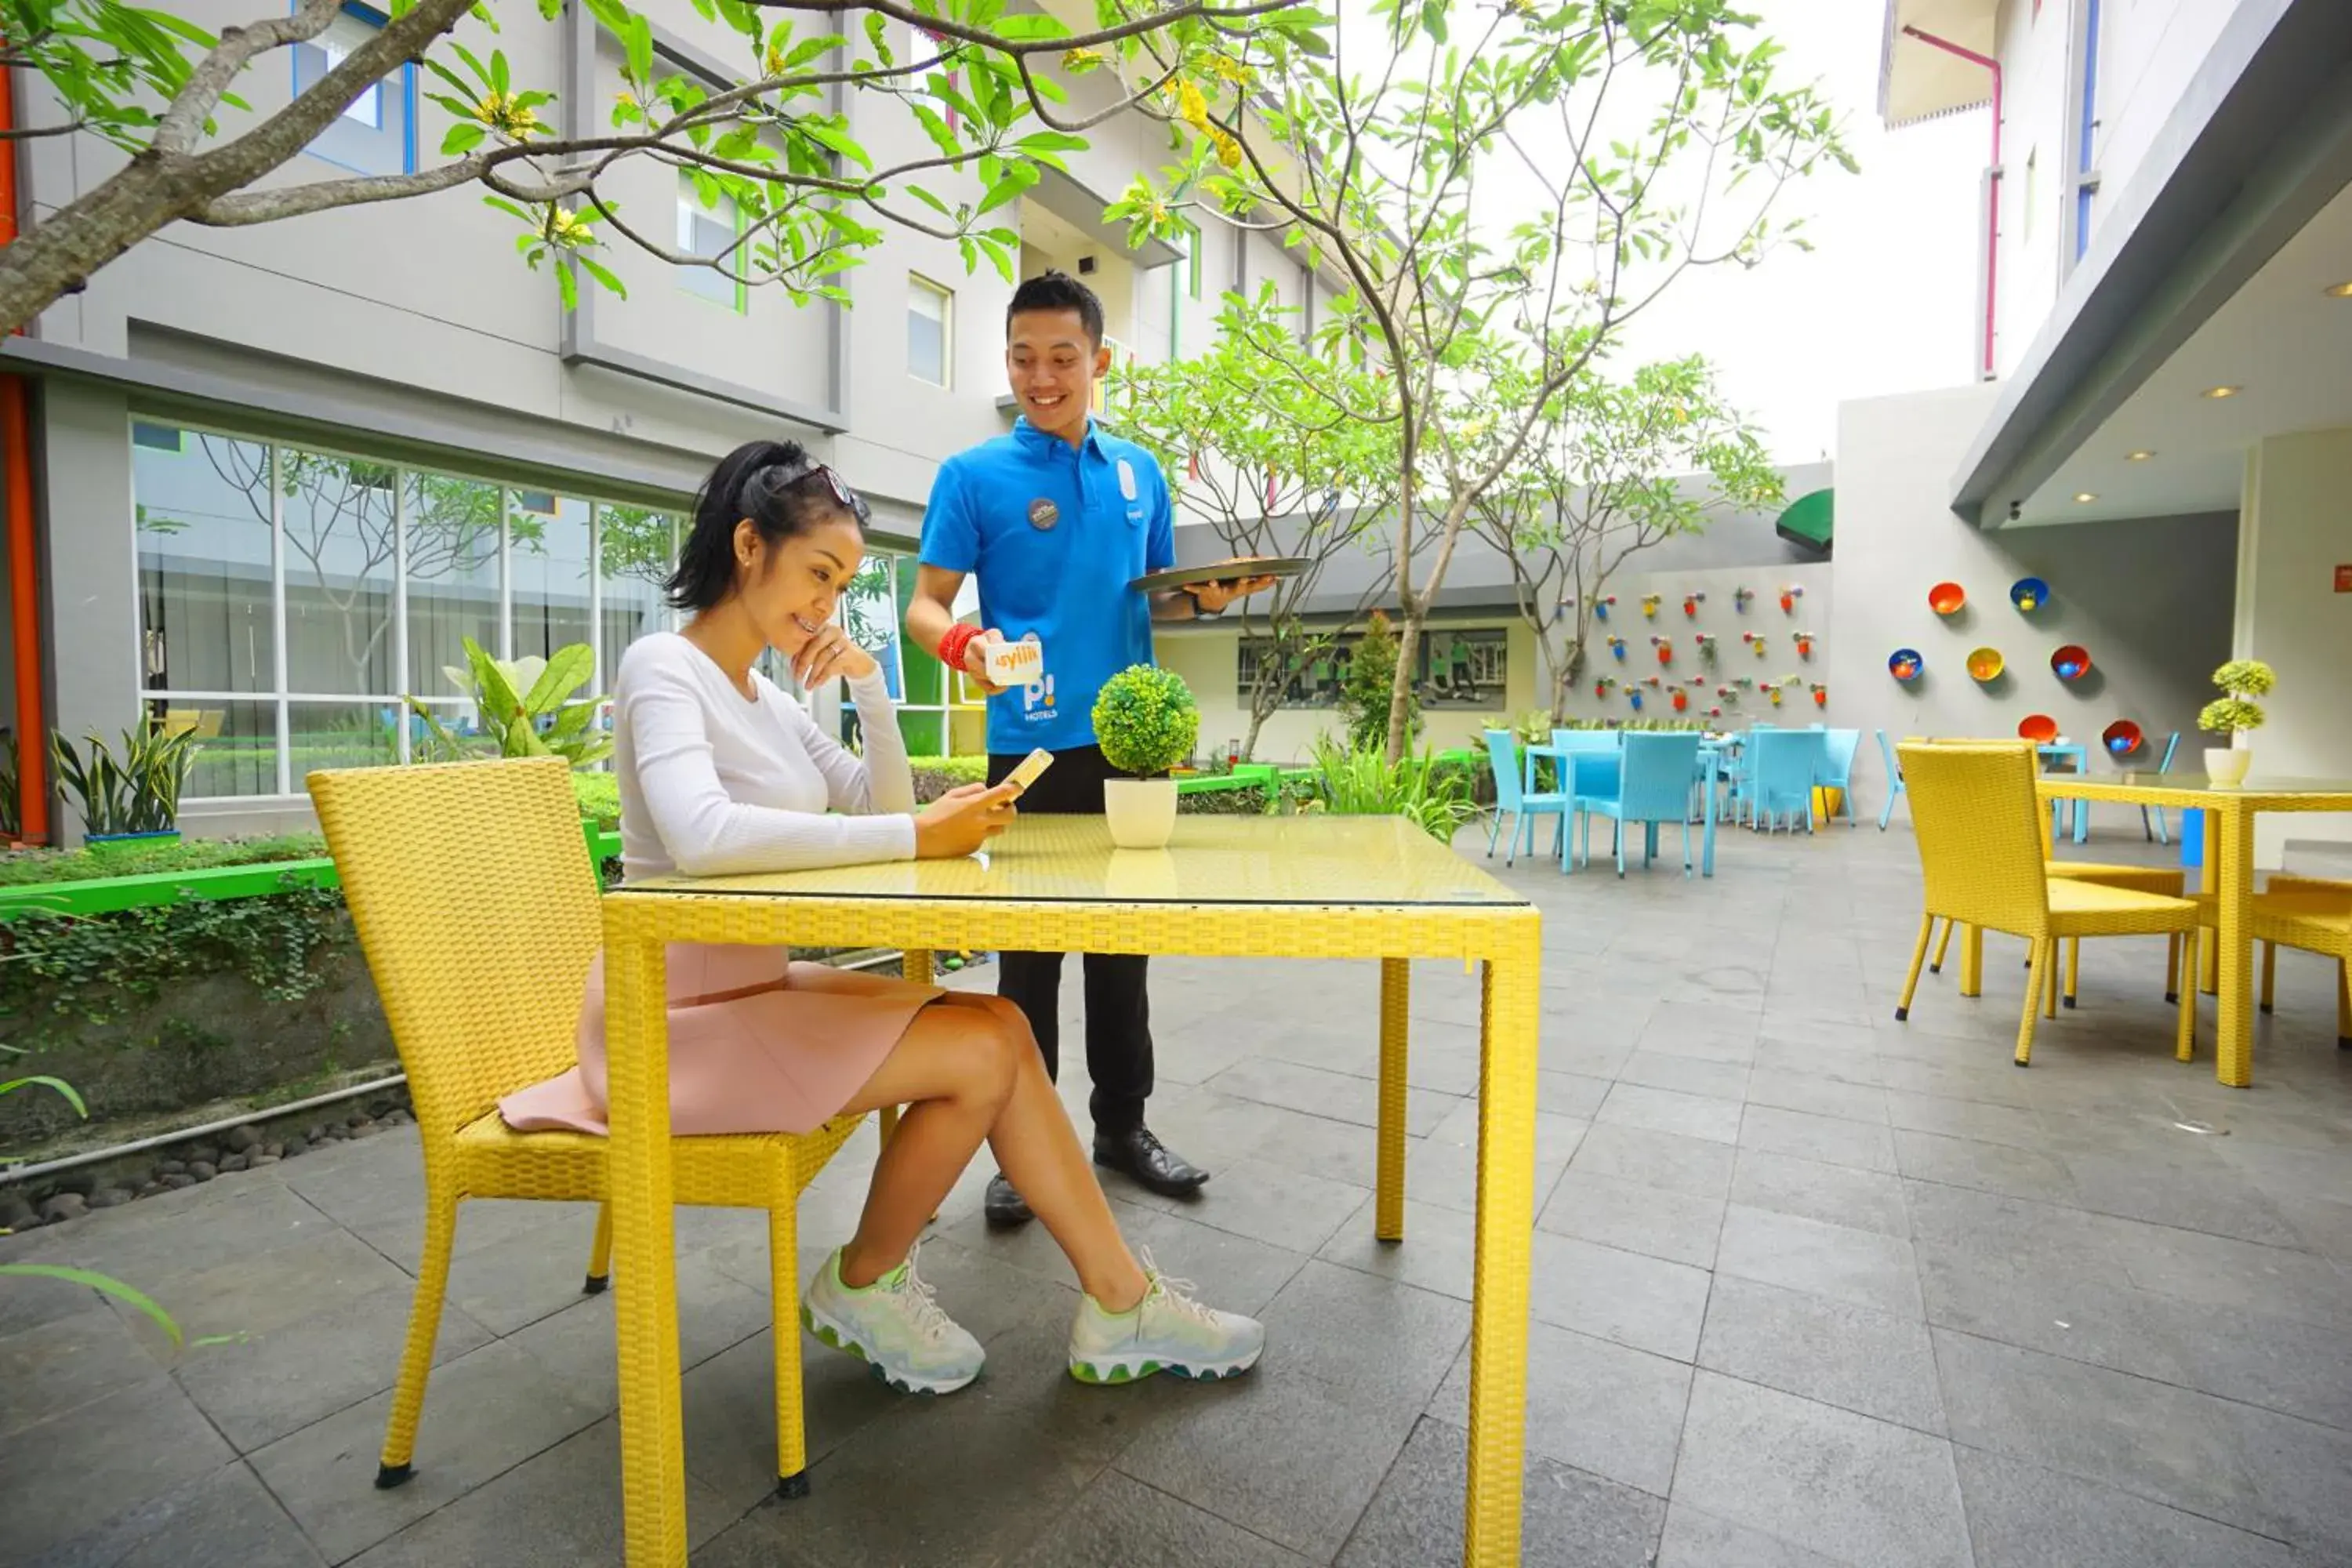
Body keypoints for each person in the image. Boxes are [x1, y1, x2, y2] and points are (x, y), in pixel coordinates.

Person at [500, 439, 1264, 1395]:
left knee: (1000, 1022)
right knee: (984, 1048)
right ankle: (891, 1280)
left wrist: (867, 682)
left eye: (843, 584)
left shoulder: (768, 700)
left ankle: (1110, 1298)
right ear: (748, 544)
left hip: (744, 994)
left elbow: (873, 797)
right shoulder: (664, 664)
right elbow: (701, 834)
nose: (826, 604)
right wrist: (914, 834)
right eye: (818, 575)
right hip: (670, 1029)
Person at [907, 272, 1273, 1229]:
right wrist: (967, 645)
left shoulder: (1139, 473)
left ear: (1100, 360)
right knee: (1028, 959)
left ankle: (1123, 1125)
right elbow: (925, 603)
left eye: (1062, 357)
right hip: (1025, 747)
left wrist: (1207, 597)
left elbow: (1147, 593)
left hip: (1127, 746)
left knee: (1122, 950)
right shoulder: (973, 477)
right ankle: (1020, 1140)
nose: (1042, 375)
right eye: (1024, 357)